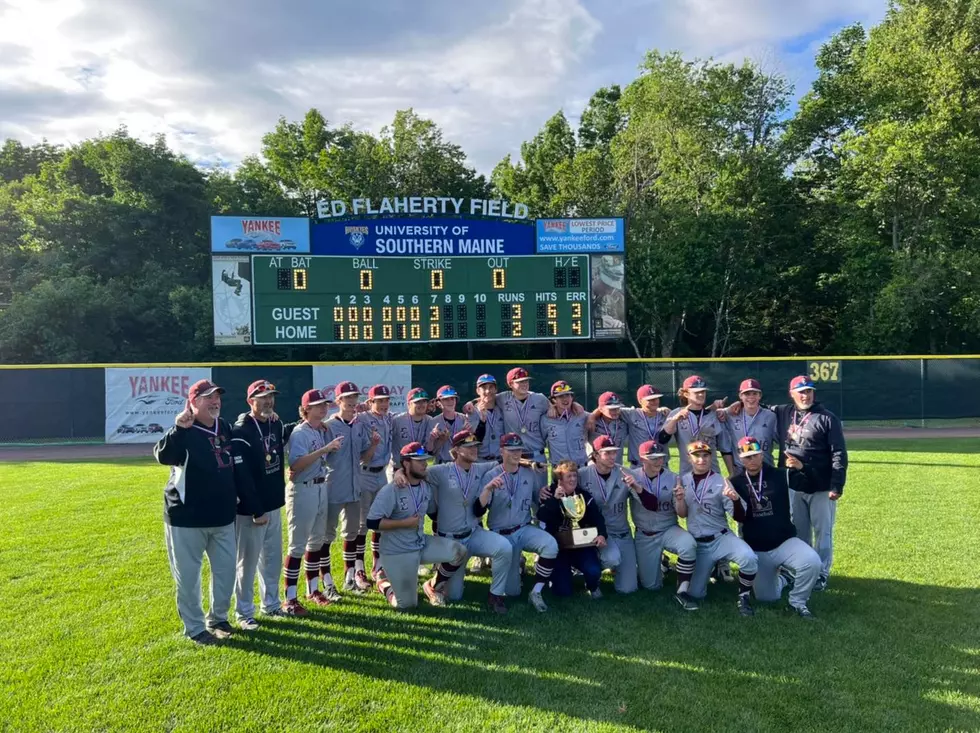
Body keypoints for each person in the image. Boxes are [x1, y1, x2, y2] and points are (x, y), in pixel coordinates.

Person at [730, 375, 847, 591]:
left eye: (808, 391)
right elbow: (755, 402)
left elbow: (839, 453)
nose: (805, 395)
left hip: (821, 485)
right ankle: (801, 570)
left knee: (823, 533)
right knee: (799, 530)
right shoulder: (784, 412)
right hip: (792, 485)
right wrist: (736, 404)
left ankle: (821, 574)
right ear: (791, 394)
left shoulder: (827, 418)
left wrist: (837, 484)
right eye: (800, 391)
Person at [154, 379, 246, 645]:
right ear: (193, 403)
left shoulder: (224, 426)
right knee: (188, 577)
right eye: (207, 397)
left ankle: (218, 618)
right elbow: (163, 456)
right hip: (186, 518)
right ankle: (195, 628)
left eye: (217, 395)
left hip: (222, 516)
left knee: (227, 571)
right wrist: (178, 429)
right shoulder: (183, 430)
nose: (215, 400)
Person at [394, 430, 513, 613]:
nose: (474, 450)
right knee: (455, 595)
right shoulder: (441, 471)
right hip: (450, 539)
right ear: (456, 450)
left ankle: (495, 596)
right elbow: (417, 469)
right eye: (469, 447)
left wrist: (532, 464)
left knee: (504, 547)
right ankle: (432, 585)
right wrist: (399, 472)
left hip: (474, 534)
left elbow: (505, 463)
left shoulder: (481, 468)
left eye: (475, 446)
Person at [366, 443, 467, 609]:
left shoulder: (425, 485)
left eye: (425, 460)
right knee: (405, 605)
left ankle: (433, 586)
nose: (425, 464)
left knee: (459, 551)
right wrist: (404, 523)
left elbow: (433, 513)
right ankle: (383, 583)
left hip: (420, 543)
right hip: (398, 551)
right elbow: (372, 522)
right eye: (419, 461)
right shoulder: (391, 490)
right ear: (406, 463)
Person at [729, 436, 821, 619]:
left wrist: (803, 468)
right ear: (740, 458)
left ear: (762, 455)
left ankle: (797, 602)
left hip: (784, 542)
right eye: (747, 457)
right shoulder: (735, 482)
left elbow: (813, 484)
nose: (752, 460)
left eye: (755, 455)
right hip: (757, 549)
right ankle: (784, 578)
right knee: (767, 597)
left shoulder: (781, 475)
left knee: (812, 562)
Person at [474, 433, 558, 612]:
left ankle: (536, 591)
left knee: (550, 545)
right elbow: (479, 510)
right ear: (502, 451)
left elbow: (537, 498)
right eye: (511, 450)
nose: (516, 453)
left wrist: (543, 494)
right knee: (512, 592)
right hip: (501, 535)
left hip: (524, 528)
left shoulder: (529, 472)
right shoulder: (491, 475)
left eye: (519, 449)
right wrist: (487, 491)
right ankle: (512, 570)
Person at [230, 380, 286, 629]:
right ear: (250, 401)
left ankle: (271, 605)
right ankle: (243, 613)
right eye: (262, 397)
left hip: (274, 504)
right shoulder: (241, 431)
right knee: (247, 563)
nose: (268, 401)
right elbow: (242, 476)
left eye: (271, 396)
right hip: (251, 511)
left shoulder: (275, 422)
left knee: (272, 560)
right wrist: (256, 509)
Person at [282, 389, 344, 614]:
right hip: (303, 490)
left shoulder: (319, 430)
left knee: (316, 543)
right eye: (318, 405)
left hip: (320, 487)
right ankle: (289, 597)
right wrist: (325, 449)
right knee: (297, 545)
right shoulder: (300, 432)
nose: (323, 408)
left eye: (325, 404)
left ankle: (313, 589)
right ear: (306, 408)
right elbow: (296, 465)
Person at [681, 441, 759, 616]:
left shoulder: (721, 481)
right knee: (695, 594)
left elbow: (740, 517)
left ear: (711, 457)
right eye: (697, 456)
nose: (701, 459)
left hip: (721, 537)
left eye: (706, 455)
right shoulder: (683, 480)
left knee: (749, 558)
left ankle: (744, 596)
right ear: (689, 458)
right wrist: (678, 500)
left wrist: (735, 500)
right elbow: (682, 514)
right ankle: (715, 569)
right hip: (699, 544)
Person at [624, 440, 698, 611]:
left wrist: (680, 500)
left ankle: (682, 590)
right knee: (651, 586)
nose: (658, 461)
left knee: (688, 544)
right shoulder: (632, 476)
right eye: (653, 457)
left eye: (661, 457)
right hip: (645, 534)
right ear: (642, 458)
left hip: (668, 529)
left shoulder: (673, 478)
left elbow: (681, 513)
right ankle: (660, 567)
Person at [322, 381, 381, 596]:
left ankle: (350, 578)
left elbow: (363, 458)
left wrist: (373, 445)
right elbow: (320, 456)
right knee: (326, 535)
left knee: (352, 533)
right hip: (333, 487)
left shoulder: (358, 425)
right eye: (347, 398)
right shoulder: (328, 426)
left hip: (355, 487)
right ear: (338, 401)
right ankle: (326, 581)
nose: (351, 401)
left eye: (354, 397)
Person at [536, 460, 607, 598]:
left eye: (575, 476)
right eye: (569, 476)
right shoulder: (549, 493)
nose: (573, 479)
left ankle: (592, 585)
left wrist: (602, 535)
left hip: (581, 545)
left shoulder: (583, 495)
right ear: (560, 479)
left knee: (593, 570)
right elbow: (541, 516)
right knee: (562, 592)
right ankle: (556, 575)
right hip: (558, 547)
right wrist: (555, 500)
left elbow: (598, 518)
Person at [576, 435, 637, 594]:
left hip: (621, 531)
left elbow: (645, 501)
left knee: (628, 589)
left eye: (614, 452)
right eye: (607, 453)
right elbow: (562, 485)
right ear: (595, 455)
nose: (612, 457)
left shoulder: (625, 473)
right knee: (612, 558)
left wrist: (637, 488)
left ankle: (598, 567)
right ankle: (590, 575)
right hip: (595, 533)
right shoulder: (582, 474)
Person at [357, 384, 394, 583]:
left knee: (380, 521)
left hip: (382, 473)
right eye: (379, 401)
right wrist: (358, 408)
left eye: (386, 400)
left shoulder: (389, 417)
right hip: (365, 473)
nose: (383, 404)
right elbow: (343, 416)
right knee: (362, 525)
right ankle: (358, 567)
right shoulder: (362, 418)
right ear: (370, 402)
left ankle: (378, 564)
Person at [658, 376, 731, 476]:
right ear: (686, 394)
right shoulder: (677, 413)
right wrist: (674, 420)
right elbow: (662, 439)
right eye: (696, 392)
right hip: (687, 472)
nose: (701, 394)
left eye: (703, 391)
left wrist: (731, 472)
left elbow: (725, 448)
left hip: (712, 472)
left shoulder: (713, 415)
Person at [721, 379, 779, 474]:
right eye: (747, 394)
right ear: (740, 396)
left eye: (754, 394)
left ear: (760, 395)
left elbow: (781, 440)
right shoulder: (730, 415)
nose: (751, 397)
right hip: (740, 471)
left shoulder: (770, 416)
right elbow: (708, 415)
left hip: (766, 470)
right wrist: (723, 410)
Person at [540, 381, 589, 472]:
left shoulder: (582, 415)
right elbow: (541, 441)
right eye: (560, 396)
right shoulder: (546, 420)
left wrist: (594, 416)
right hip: (559, 469)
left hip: (581, 467)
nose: (565, 399)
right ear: (554, 400)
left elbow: (599, 414)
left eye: (567, 395)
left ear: (572, 398)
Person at [621, 384, 672, 469]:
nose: (654, 401)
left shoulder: (665, 415)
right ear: (640, 401)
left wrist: (669, 412)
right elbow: (605, 408)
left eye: (656, 398)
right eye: (650, 399)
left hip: (662, 466)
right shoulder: (632, 414)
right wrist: (593, 417)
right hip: (639, 466)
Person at [587, 392, 630, 465]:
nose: (616, 411)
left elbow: (645, 411)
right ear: (600, 409)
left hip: (616, 466)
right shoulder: (590, 422)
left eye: (617, 408)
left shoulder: (625, 421)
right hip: (594, 466)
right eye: (612, 409)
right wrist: (592, 416)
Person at [431, 386, 468, 464]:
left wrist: (467, 435)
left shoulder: (464, 419)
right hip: (441, 464)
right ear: (438, 402)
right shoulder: (433, 422)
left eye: (452, 398)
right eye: (446, 399)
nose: (450, 402)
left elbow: (471, 445)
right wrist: (440, 440)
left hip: (460, 463)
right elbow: (431, 451)